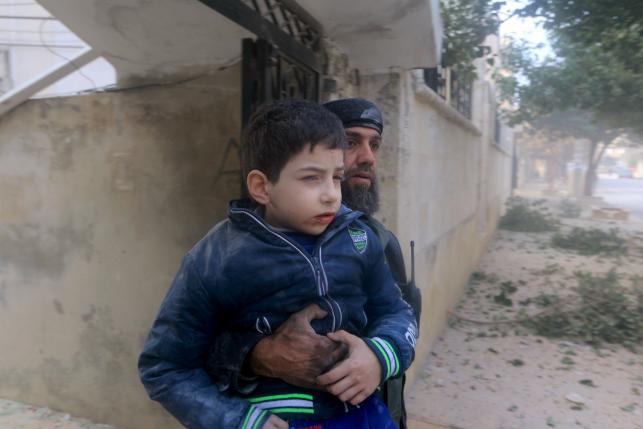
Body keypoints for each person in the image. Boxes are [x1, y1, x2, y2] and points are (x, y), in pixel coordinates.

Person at [138, 99, 418, 429]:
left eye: (336, 178)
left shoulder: (363, 239)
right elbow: (166, 366)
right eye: (312, 178)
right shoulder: (217, 257)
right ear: (261, 186)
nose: (331, 194)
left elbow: (397, 313)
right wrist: (239, 420)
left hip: (365, 415)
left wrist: (378, 358)